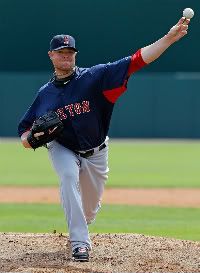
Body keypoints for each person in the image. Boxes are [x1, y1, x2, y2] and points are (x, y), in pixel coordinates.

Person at [18, 17, 190, 262]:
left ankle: (82, 225)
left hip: (96, 151)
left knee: (88, 210)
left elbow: (136, 60)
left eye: (70, 52)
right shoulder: (44, 95)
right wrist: (31, 139)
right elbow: (24, 133)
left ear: (75, 55)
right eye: (60, 52)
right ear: (51, 56)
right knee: (67, 176)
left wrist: (170, 38)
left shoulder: (95, 77)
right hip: (62, 147)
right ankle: (80, 244)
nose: (66, 56)